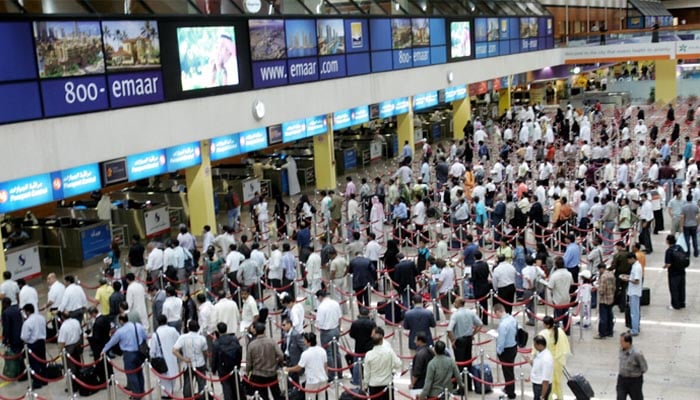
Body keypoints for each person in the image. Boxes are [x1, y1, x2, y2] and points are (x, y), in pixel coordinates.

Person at [102, 314, 148, 396]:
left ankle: (136, 394)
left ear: (121, 321)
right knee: (139, 372)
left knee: (131, 374)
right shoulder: (137, 326)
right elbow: (145, 336)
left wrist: (104, 350)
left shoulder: (120, 331)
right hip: (139, 352)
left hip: (129, 355)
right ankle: (141, 391)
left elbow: (112, 342)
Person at [447, 297, 483, 392]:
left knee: (460, 363)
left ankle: (462, 387)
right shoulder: (471, 313)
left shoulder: (455, 315)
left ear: (458, 304)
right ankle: (469, 385)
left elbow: (449, 329)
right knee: (468, 362)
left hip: (459, 340)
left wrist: (452, 340)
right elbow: (480, 324)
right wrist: (473, 334)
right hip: (468, 340)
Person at [246, 322, 284, 400]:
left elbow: (249, 362)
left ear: (255, 331)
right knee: (276, 393)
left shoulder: (252, 345)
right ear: (264, 330)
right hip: (272, 372)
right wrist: (278, 363)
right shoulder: (272, 342)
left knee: (262, 396)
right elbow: (281, 355)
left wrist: (248, 371)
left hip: (258, 374)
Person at [284, 332, 328, 396]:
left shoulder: (306, 354)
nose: (303, 341)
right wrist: (326, 377)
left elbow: (298, 368)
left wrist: (287, 369)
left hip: (312, 381)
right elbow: (325, 366)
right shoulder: (322, 350)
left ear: (308, 342)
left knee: (310, 397)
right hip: (323, 379)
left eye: (304, 340)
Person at [173, 320, 208, 398]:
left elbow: (174, 350)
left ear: (188, 328)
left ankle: (187, 398)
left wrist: (183, 359)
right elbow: (205, 352)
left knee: (187, 385)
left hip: (188, 364)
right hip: (200, 363)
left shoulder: (183, 337)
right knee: (202, 385)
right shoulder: (202, 338)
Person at [364, 327, 401, 400]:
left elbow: (367, 372)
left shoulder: (369, 354)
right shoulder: (389, 352)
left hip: (373, 384)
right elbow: (398, 364)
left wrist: (365, 385)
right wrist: (390, 367)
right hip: (387, 383)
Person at [538, 316, 570, 400]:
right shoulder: (560, 331)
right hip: (557, 361)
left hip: (548, 361)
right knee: (558, 381)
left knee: (548, 381)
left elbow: (538, 348)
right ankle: (559, 397)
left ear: (547, 325)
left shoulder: (543, 334)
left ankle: (549, 397)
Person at [150, 315, 181, 396]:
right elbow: (179, 341)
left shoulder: (155, 334)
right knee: (172, 378)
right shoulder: (173, 330)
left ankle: (167, 395)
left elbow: (152, 351)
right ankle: (170, 392)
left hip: (161, 361)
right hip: (173, 358)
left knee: (165, 382)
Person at [315, 290, 342, 380]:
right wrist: (339, 329)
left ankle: (332, 375)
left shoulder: (321, 307)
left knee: (329, 354)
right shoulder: (335, 303)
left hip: (326, 332)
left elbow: (319, 322)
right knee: (336, 352)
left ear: (320, 297)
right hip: (336, 329)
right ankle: (339, 372)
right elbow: (340, 317)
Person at [212, 322, 243, 400]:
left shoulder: (217, 343)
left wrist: (213, 369)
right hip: (234, 366)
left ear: (218, 331)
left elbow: (214, 358)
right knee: (236, 384)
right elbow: (239, 351)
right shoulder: (234, 339)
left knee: (226, 387)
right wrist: (238, 364)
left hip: (223, 368)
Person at [494, 303, 517, 399]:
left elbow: (501, 340)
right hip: (513, 346)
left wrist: (499, 351)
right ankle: (508, 387)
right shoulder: (512, 319)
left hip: (506, 350)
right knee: (510, 370)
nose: (496, 316)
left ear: (498, 311)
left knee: (507, 372)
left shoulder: (503, 324)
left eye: (496, 313)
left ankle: (511, 392)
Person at [21, 304, 46, 388]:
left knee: (34, 364)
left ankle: (37, 382)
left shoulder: (27, 322)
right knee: (42, 361)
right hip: (42, 342)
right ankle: (44, 379)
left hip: (32, 344)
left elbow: (24, 337)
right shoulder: (41, 318)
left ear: (27, 312)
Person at [349, 307, 376, 385]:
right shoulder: (371, 323)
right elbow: (375, 334)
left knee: (357, 364)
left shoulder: (355, 323)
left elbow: (351, 334)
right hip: (370, 346)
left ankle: (356, 380)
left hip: (359, 346)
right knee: (371, 363)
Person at [547, 256, 573, 335]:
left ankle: (557, 332)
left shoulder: (554, 275)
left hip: (557, 299)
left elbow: (549, 287)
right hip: (566, 298)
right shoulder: (569, 274)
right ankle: (567, 330)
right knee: (566, 316)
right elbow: (571, 284)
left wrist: (549, 300)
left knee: (557, 317)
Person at [525, 335, 553, 400]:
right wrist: (529, 361)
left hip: (541, 387)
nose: (534, 346)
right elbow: (537, 367)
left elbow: (546, 381)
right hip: (538, 385)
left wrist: (542, 396)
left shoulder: (546, 359)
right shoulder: (540, 353)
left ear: (540, 345)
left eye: (535, 344)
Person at [622, 252, 643, 336]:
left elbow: (637, 281)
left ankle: (634, 330)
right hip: (633, 291)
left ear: (632, 258)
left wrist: (628, 280)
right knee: (635, 311)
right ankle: (635, 327)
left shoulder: (637, 268)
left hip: (634, 292)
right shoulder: (635, 266)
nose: (628, 262)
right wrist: (628, 277)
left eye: (628, 260)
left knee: (634, 312)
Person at [663, 235, 687, 310]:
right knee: (682, 287)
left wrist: (664, 267)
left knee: (674, 289)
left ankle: (675, 305)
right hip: (682, 271)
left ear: (667, 241)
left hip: (673, 273)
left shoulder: (669, 251)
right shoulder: (679, 247)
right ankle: (682, 302)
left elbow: (669, 264)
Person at [595, 263, 617, 339]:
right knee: (610, 315)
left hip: (604, 299)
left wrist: (597, 288)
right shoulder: (611, 274)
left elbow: (601, 291)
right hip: (611, 298)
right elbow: (614, 286)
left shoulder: (603, 277)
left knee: (603, 317)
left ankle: (602, 333)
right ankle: (610, 331)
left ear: (601, 268)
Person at [680, 193, 700, 257]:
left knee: (687, 240)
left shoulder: (684, 207)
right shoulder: (696, 206)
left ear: (686, 199)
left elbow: (682, 217)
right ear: (692, 198)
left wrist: (681, 226)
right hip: (694, 225)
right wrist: (698, 224)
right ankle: (696, 252)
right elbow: (698, 216)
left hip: (686, 225)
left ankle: (687, 253)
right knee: (695, 239)